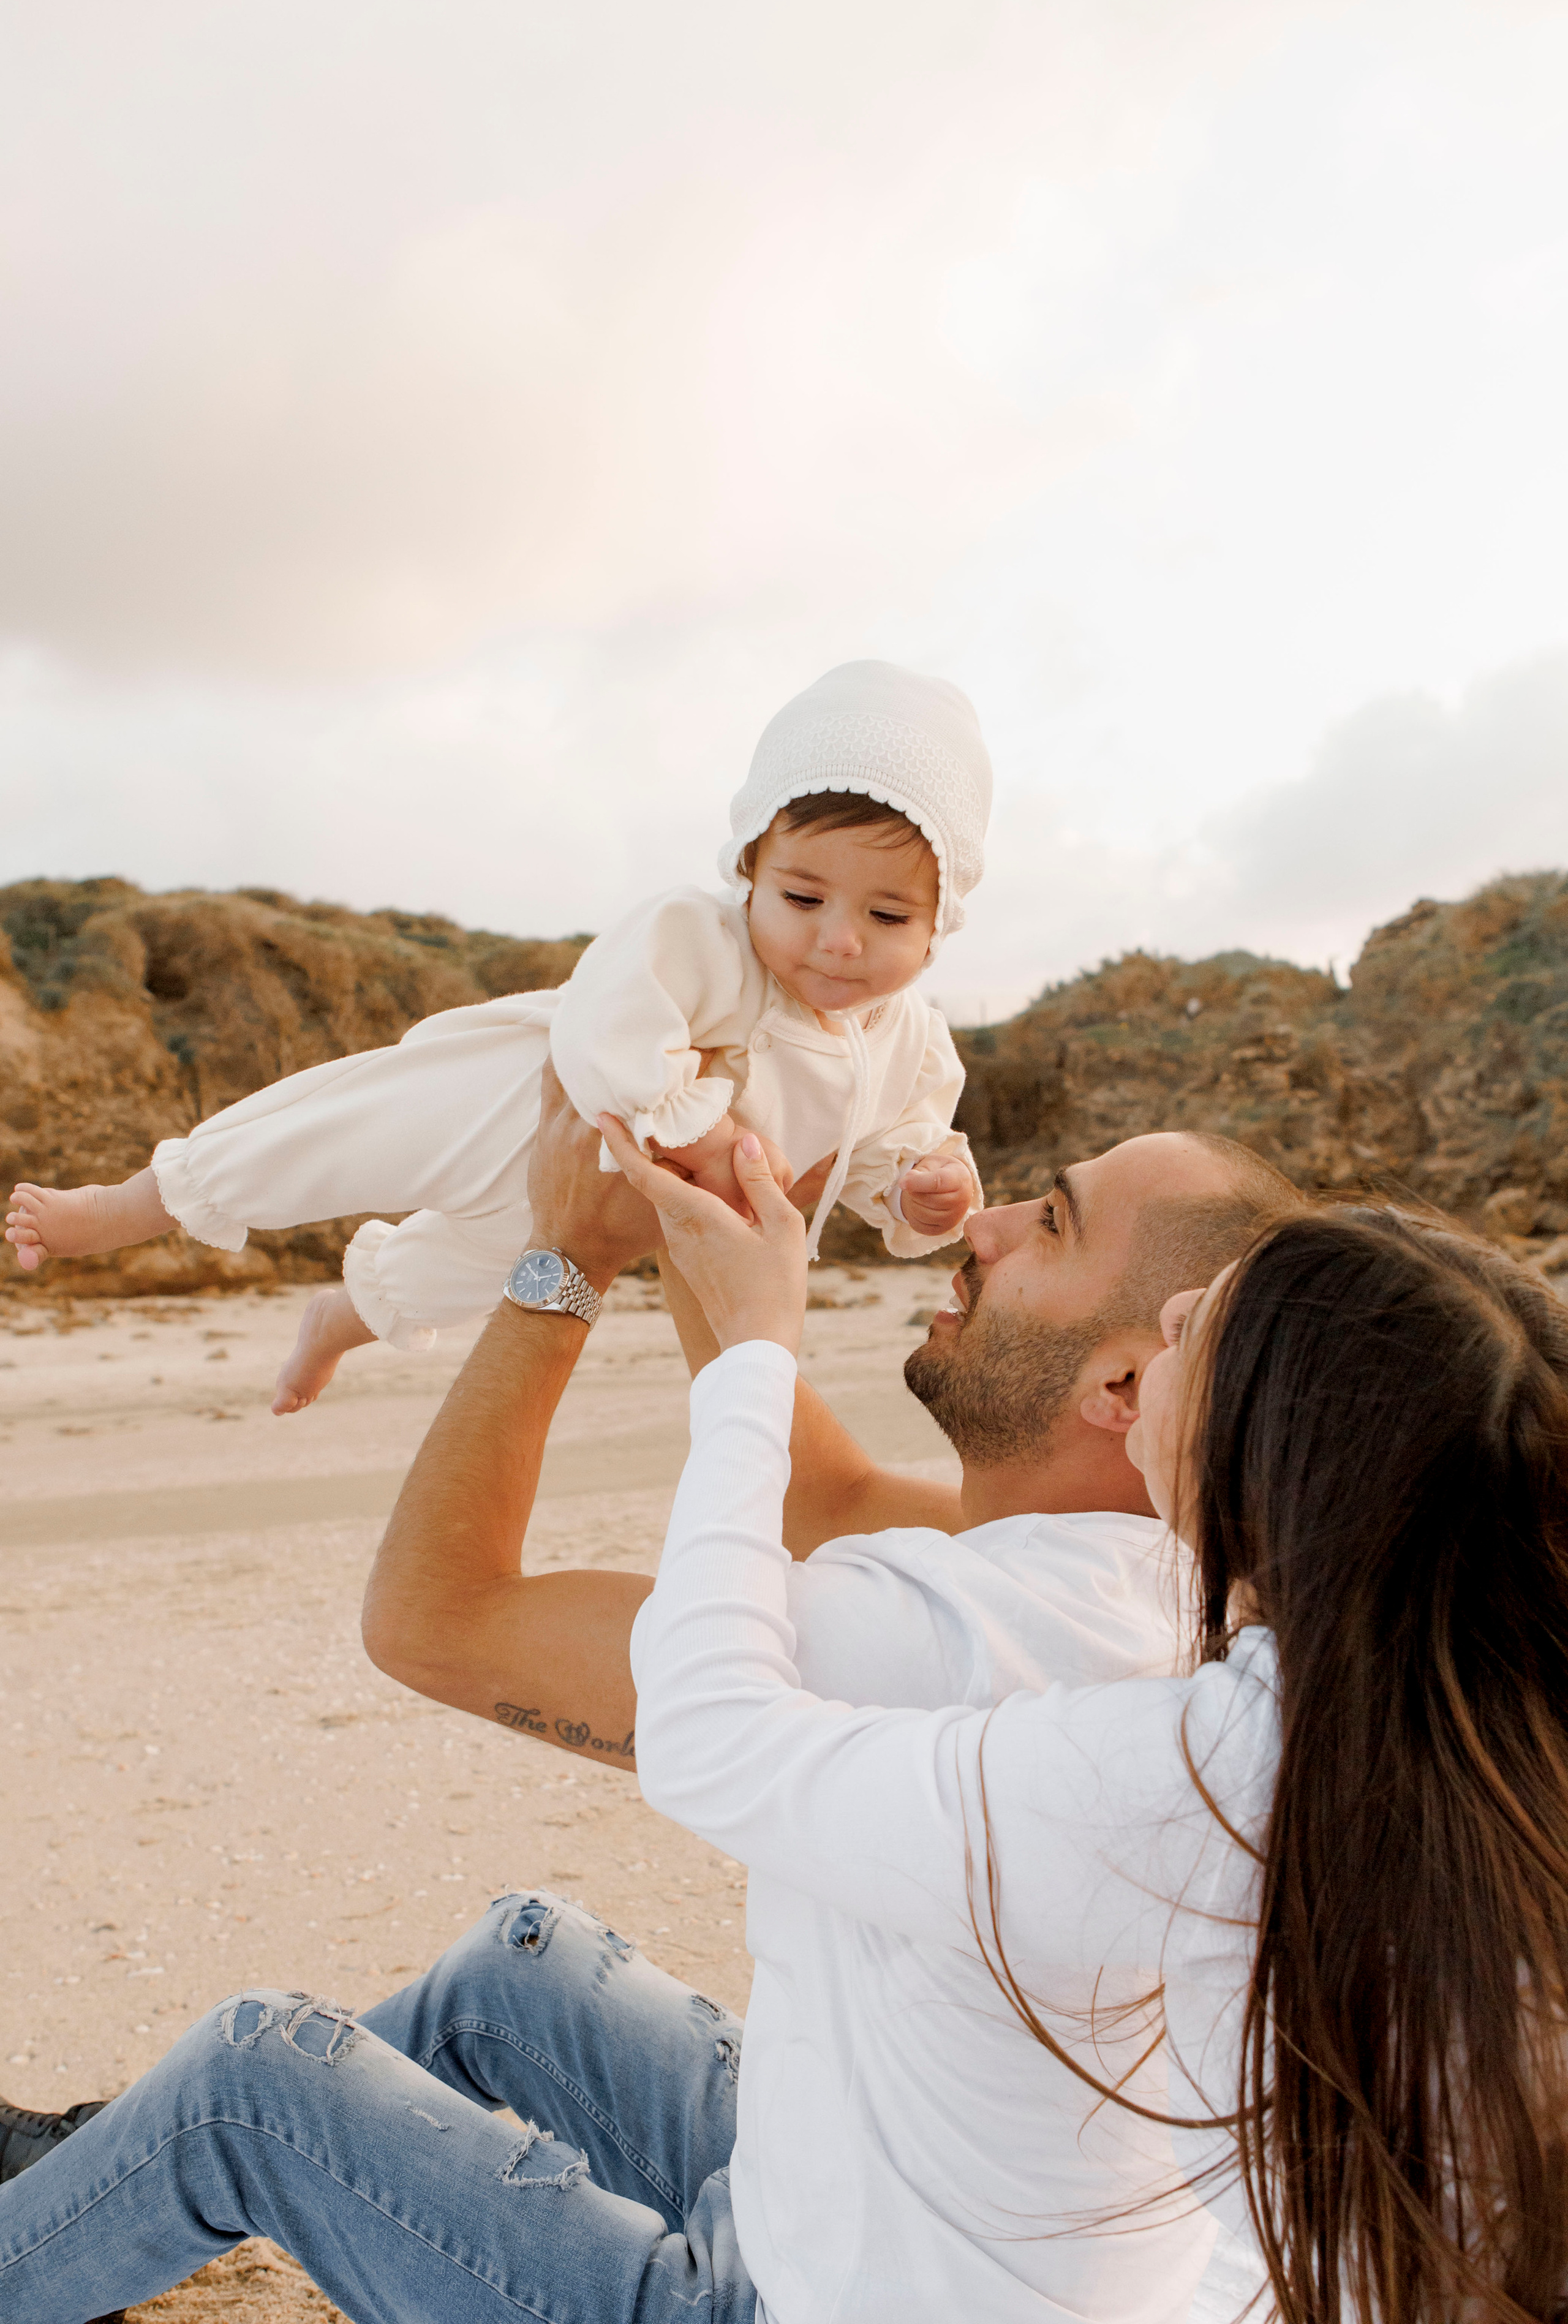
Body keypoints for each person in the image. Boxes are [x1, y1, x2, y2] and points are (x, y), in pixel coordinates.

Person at [0, 1078, 1303, 2321]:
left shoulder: (936, 1638)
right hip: (869, 2216)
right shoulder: (1164, 1569)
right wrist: (704, 1210)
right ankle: (101, 2178)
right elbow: (829, 1500)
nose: (985, 1220)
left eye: (1050, 1222)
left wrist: (567, 1263)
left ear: (1127, 1387)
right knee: (515, 1965)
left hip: (786, 2305)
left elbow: (438, 1623)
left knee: (252, 2081)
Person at [614, 1126, 1568, 2323]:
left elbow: (709, 1740)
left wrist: (754, 1358)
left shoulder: (1207, 1772)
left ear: (1256, 1447)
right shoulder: (1494, 1695)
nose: (1159, 1335)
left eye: (1187, 1333)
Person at [4, 660, 989, 1416]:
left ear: (941, 930)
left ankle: (334, 1324)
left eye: (890, 918)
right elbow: (612, 1032)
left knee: (454, 1280)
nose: (839, 939)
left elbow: (883, 1151)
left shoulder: (906, 1045)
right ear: (750, 867)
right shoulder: (699, 935)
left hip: (590, 1210)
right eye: (804, 896)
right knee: (324, 1136)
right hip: (522, 1105)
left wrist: (917, 1191)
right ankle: (124, 1206)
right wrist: (699, 1135)